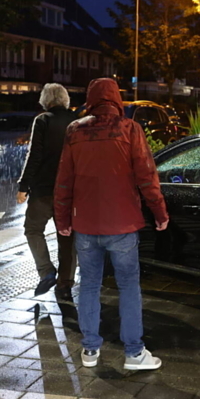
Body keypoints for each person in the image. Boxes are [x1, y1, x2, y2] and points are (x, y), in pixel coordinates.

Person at [54, 78, 169, 371]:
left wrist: (63, 219)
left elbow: (64, 181)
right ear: (116, 99)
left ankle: (90, 349)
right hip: (122, 224)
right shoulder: (130, 129)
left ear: (91, 99)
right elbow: (147, 176)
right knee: (128, 285)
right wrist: (159, 212)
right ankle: (133, 353)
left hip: (86, 225)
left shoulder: (75, 131)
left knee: (89, 284)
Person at [17, 83, 79, 300]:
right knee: (68, 236)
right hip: (70, 191)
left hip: (44, 189)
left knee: (33, 229)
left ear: (46, 99)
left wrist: (23, 186)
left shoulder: (42, 120)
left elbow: (34, 155)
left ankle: (46, 271)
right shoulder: (76, 122)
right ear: (65, 99)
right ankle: (65, 284)